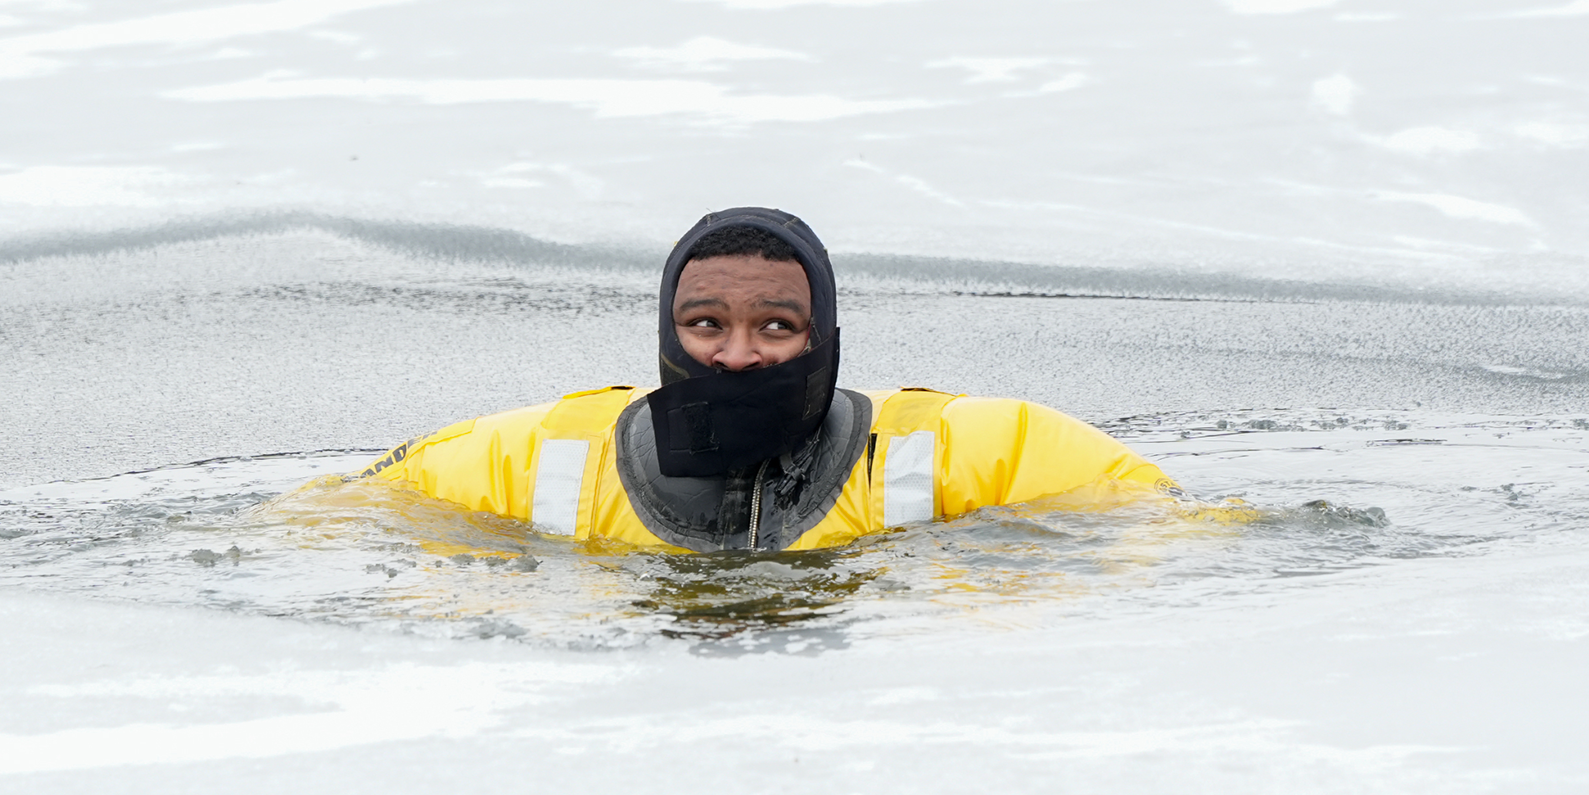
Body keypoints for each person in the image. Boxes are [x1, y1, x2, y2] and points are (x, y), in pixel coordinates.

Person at [355, 208, 1181, 552]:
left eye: (777, 327)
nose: (738, 356)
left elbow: (1169, 531)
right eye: (706, 323)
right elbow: (337, 520)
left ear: (823, 337)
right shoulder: (533, 457)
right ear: (667, 332)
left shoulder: (988, 448)